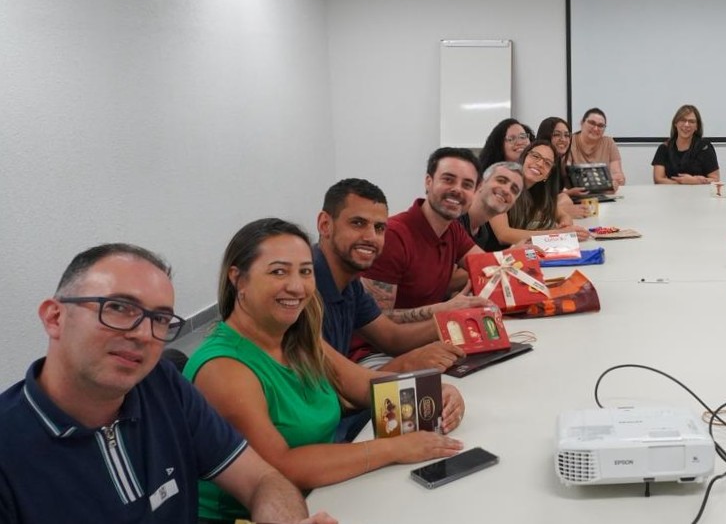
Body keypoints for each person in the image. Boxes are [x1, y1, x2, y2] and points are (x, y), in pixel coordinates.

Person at [0, 243, 333, 523]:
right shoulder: (10, 450)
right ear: (55, 317)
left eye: (159, 319)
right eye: (118, 307)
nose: (144, 334)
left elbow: (262, 480)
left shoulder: (162, 384)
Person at [186, 219, 466, 522]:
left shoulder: (297, 335)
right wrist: (395, 449)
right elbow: (282, 466)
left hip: (323, 493)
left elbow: (362, 385)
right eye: (278, 271)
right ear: (238, 279)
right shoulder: (223, 368)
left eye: (305, 271)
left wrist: (433, 391)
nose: (297, 286)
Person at [356, 148, 494, 370]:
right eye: (448, 179)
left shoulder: (452, 230)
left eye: (467, 185)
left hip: (429, 342)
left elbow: (490, 269)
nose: (457, 189)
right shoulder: (394, 235)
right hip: (376, 354)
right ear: (428, 182)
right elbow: (377, 320)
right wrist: (446, 310)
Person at [490, 140, 592, 246]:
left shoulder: (538, 192)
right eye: (535, 156)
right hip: (490, 254)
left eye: (547, 163)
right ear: (524, 158)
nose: (539, 164)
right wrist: (559, 234)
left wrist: (565, 223)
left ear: (547, 175)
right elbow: (503, 235)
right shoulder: (502, 184)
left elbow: (562, 215)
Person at [459, 162, 526, 252]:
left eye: (514, 190)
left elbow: (475, 259)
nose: (506, 190)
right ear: (480, 183)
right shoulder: (454, 217)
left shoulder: (483, 233)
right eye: (501, 181)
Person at [652, 104, 720, 184]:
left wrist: (696, 181)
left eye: (691, 121)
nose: (686, 124)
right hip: (670, 192)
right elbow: (658, 179)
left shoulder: (705, 147)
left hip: (699, 192)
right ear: (675, 123)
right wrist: (684, 183)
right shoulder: (664, 148)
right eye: (683, 120)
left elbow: (715, 179)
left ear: (697, 126)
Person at [571, 107, 625, 188]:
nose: (596, 129)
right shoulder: (569, 141)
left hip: (603, 192)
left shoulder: (608, 142)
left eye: (601, 126)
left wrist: (618, 179)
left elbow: (617, 174)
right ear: (582, 123)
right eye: (592, 123)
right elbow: (567, 176)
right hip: (575, 192)